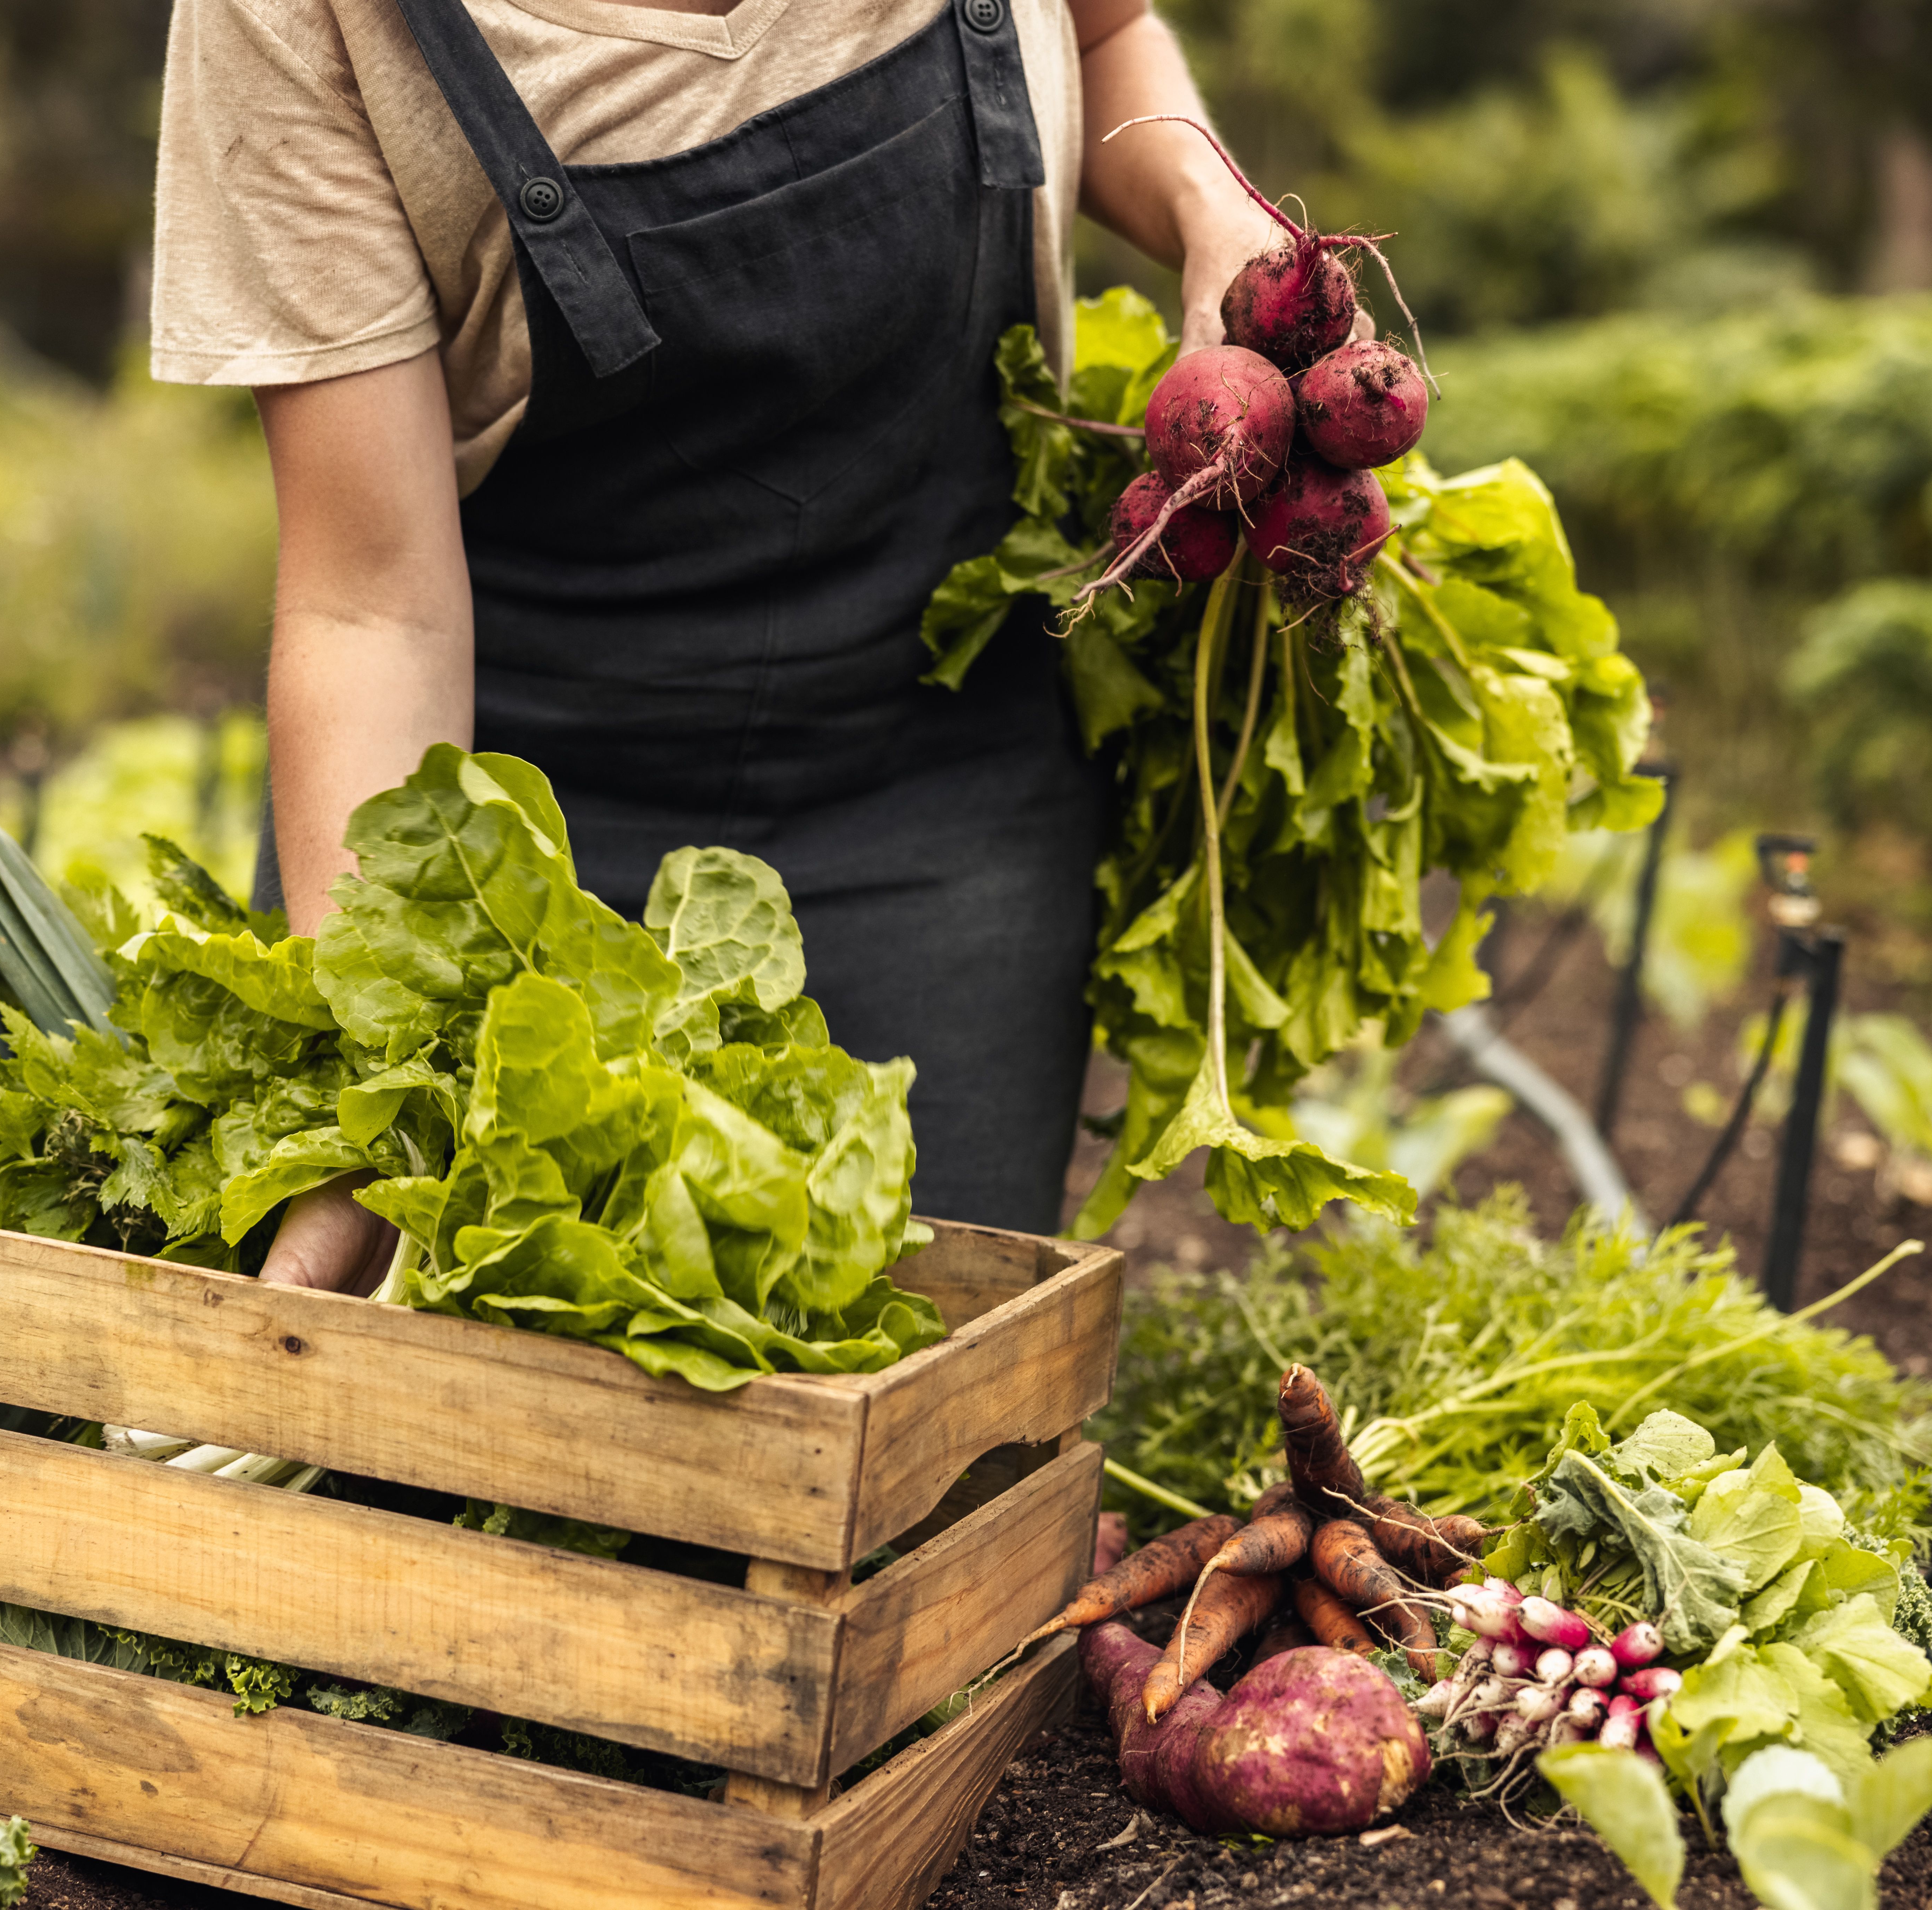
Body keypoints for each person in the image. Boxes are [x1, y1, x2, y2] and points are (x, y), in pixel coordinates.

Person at [150, 0, 1279, 1293]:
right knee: (448, 1460)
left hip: (945, 795)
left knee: (919, 1437)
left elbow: (1101, 30)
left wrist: (1211, 206)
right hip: (521, 861)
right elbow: (372, 607)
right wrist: (377, 1066)